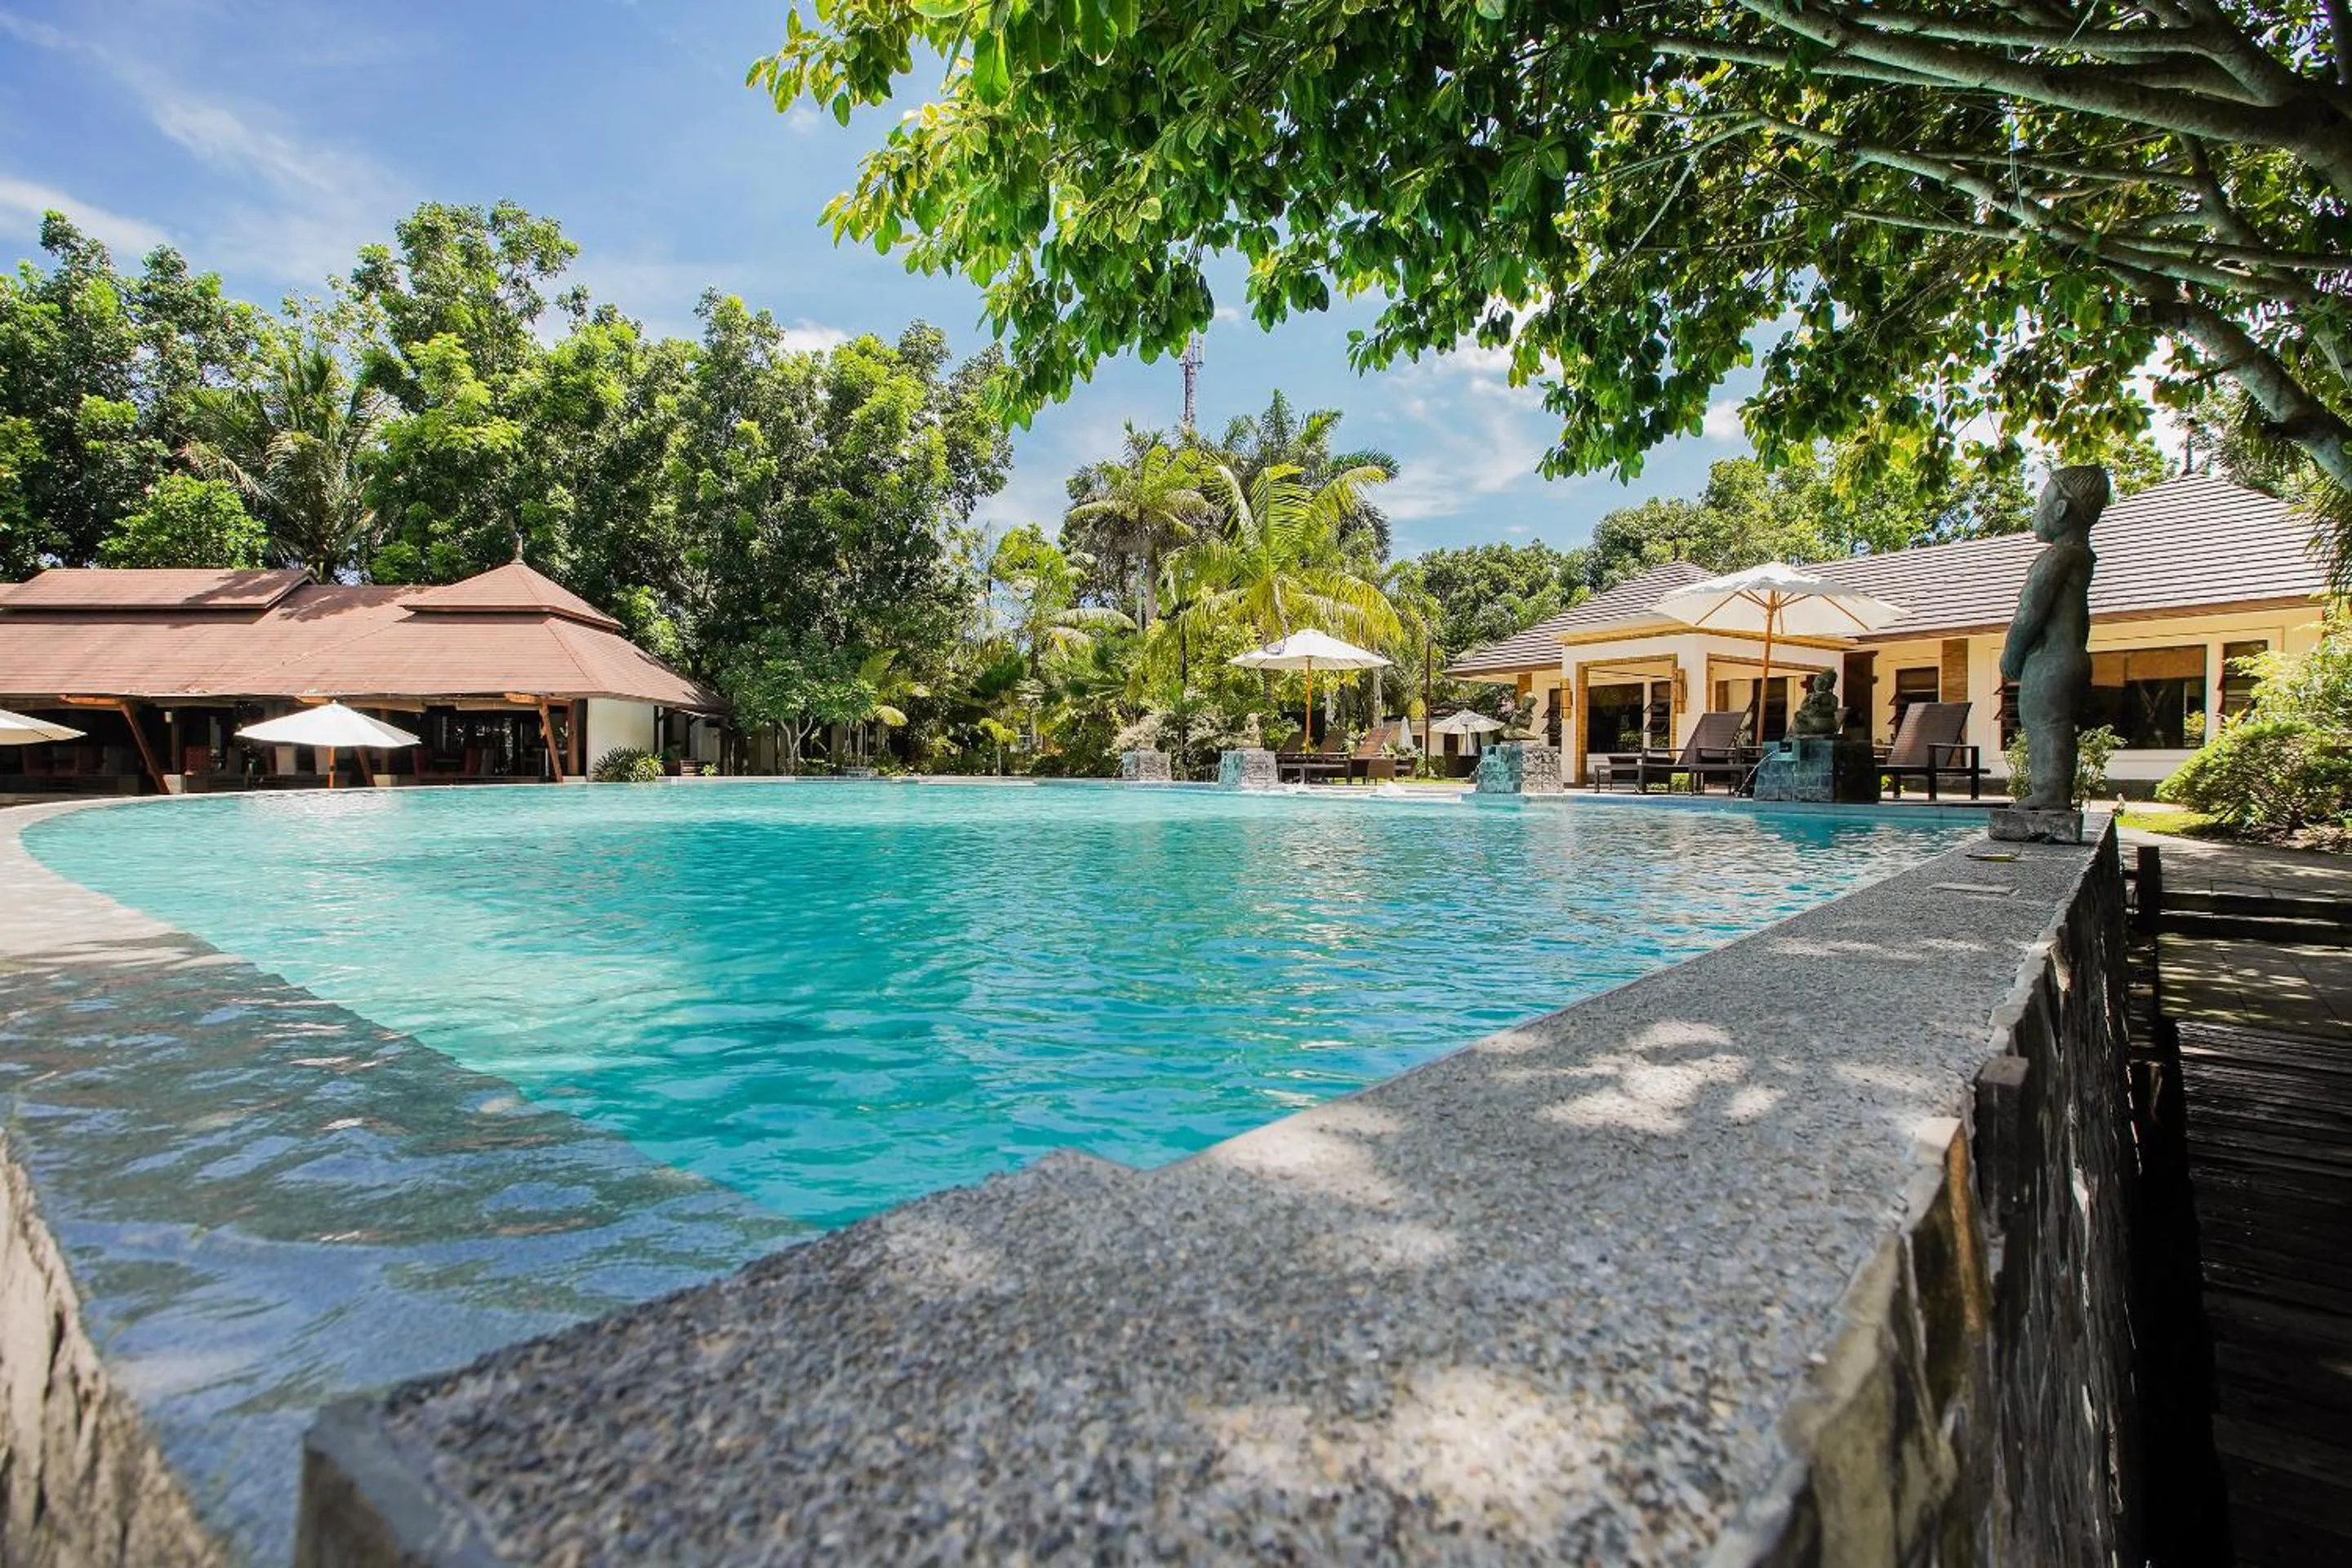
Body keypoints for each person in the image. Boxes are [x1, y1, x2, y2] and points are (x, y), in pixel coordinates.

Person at [2000, 466, 2107, 811]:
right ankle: (2052, 792)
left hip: (2052, 661)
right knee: (2053, 724)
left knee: (2044, 723)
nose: (2036, 512)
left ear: (2060, 510)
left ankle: (2050, 793)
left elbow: (2029, 612)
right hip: (2071, 656)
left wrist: (2011, 653)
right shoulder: (2082, 558)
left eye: (2040, 503)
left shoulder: (2057, 558)